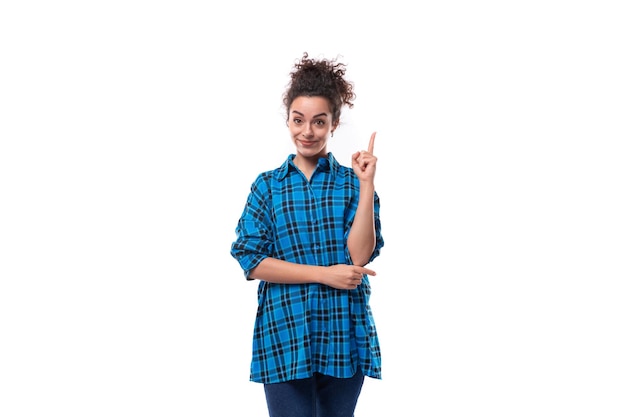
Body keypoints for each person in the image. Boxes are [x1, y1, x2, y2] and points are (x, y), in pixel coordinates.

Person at [230, 52, 384, 417]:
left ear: (334, 124)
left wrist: (366, 185)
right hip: (284, 331)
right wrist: (323, 274)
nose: (308, 131)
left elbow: (360, 256)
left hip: (343, 331)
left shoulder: (351, 184)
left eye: (319, 121)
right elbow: (251, 259)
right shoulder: (268, 187)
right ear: (288, 121)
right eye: (299, 120)